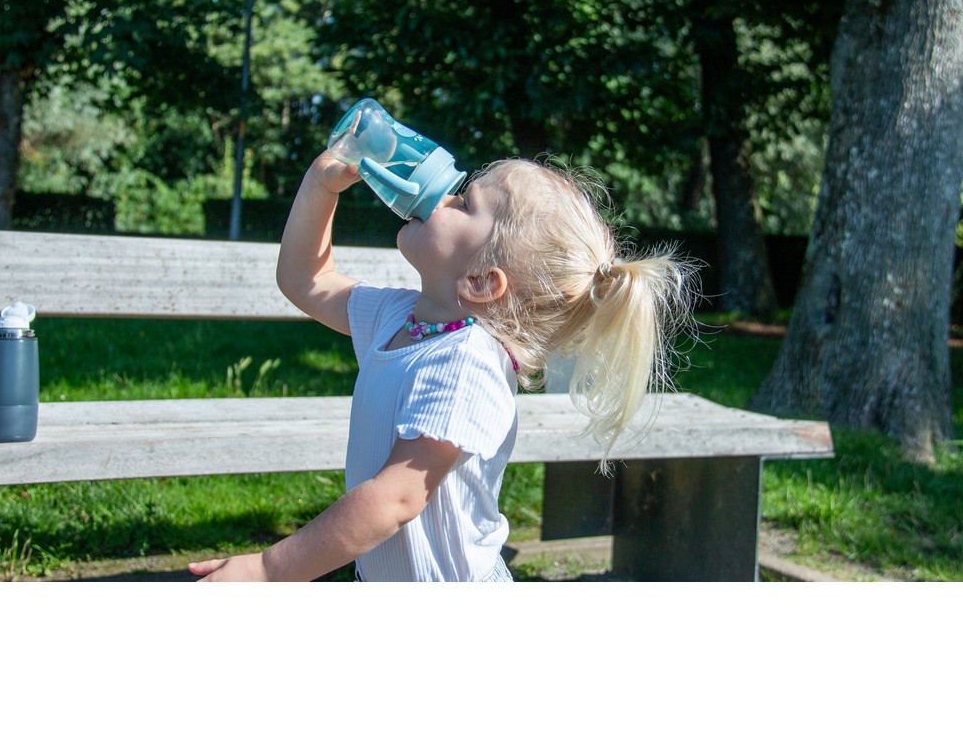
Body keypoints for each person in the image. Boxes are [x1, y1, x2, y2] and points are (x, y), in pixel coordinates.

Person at [189, 151, 695, 582]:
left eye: (464, 203)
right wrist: (320, 188)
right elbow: (306, 280)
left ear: (480, 281)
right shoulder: (398, 317)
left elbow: (396, 499)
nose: (442, 198)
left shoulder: (466, 367)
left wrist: (269, 569)